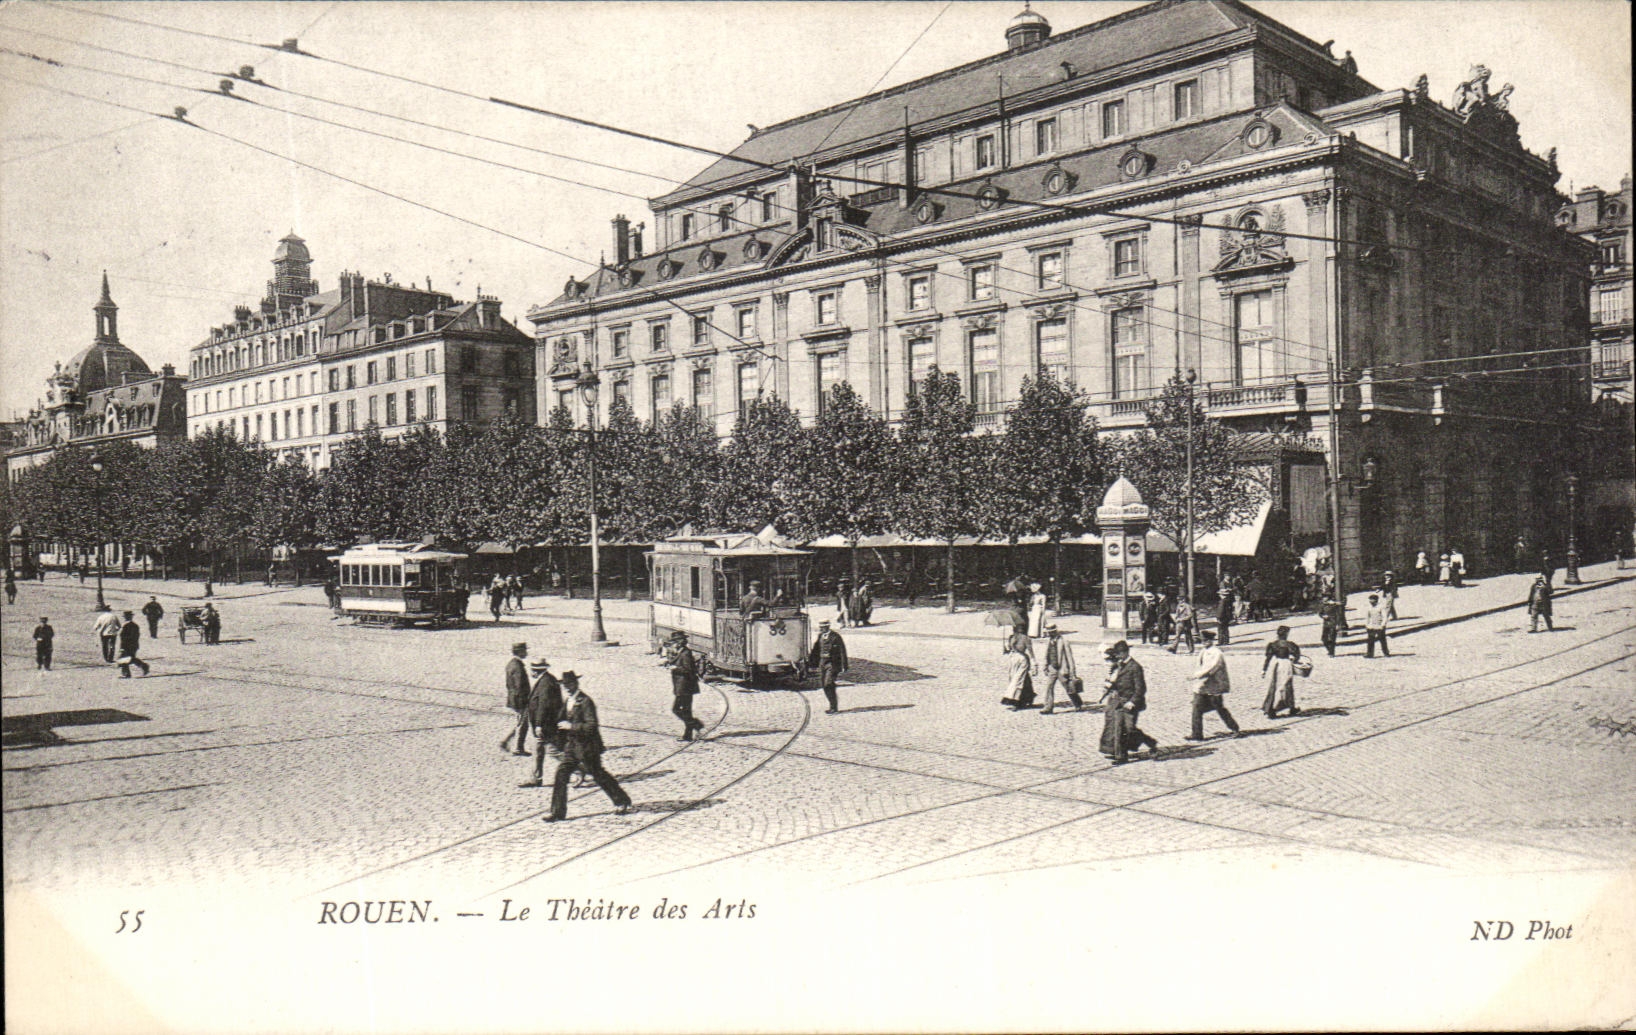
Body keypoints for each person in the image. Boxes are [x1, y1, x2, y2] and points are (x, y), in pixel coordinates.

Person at [544, 672, 632, 822]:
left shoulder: (585, 701)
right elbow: (561, 719)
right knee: (561, 775)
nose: (567, 688)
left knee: (598, 775)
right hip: (572, 747)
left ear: (576, 684)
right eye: (564, 686)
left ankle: (621, 800)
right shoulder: (568, 701)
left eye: (569, 685)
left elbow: (591, 725)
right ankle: (557, 812)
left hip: (587, 747)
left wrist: (571, 726)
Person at [1099, 640, 1158, 764]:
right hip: (1118, 701)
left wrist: (1133, 702)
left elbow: (1141, 688)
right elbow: (1114, 680)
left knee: (1130, 728)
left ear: (1126, 652)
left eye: (1119, 654)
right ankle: (1120, 755)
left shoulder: (1135, 667)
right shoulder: (1118, 665)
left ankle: (1149, 741)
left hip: (1130, 702)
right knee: (1119, 728)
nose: (1117, 656)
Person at [517, 657, 565, 788]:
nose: (531, 673)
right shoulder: (546, 680)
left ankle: (580, 769)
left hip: (545, 725)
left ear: (536, 671)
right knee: (538, 751)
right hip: (545, 724)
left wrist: (538, 725)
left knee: (552, 751)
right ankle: (535, 778)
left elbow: (543, 706)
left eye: (532, 670)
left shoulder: (545, 683)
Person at [1187, 629, 1240, 740]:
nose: (1204, 642)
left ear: (1211, 640)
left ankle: (1234, 728)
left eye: (1206, 640)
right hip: (1202, 685)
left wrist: (1196, 676)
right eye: (1202, 640)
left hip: (1214, 685)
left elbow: (1211, 667)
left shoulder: (1216, 653)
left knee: (1219, 708)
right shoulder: (1203, 651)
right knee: (1196, 708)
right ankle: (1197, 734)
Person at [665, 631, 706, 741]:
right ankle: (687, 735)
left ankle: (696, 725)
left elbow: (688, 670)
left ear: (679, 643)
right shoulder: (681, 652)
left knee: (676, 709)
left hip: (685, 686)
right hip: (683, 686)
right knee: (687, 711)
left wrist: (675, 668)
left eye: (673, 642)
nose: (672, 644)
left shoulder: (686, 653)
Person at [1039, 624, 1084, 715]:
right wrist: (1045, 666)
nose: (1050, 634)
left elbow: (1070, 658)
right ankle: (1048, 707)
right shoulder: (1049, 642)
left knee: (1069, 687)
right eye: (1048, 632)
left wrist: (1072, 672)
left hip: (1062, 669)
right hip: (1052, 668)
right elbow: (1046, 655)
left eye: (1051, 632)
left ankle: (1077, 703)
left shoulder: (1063, 641)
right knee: (1049, 687)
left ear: (1055, 631)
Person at [808, 620, 849, 714]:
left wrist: (844, 665)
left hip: (832, 663)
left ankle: (834, 706)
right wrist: (811, 664)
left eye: (822, 627)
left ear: (827, 627)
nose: (821, 629)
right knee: (824, 685)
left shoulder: (835, 637)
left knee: (828, 683)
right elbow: (816, 650)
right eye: (820, 627)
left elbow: (842, 651)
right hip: (822, 662)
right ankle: (832, 705)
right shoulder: (820, 637)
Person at [1261, 625, 1302, 717]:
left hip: (1277, 665)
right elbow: (1297, 655)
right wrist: (1295, 660)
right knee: (1287, 686)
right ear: (1286, 634)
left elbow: (1268, 658)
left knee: (1275, 686)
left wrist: (1264, 670)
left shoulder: (1273, 645)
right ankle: (1288, 707)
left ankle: (1271, 707)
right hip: (1287, 665)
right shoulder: (1290, 644)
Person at [501, 643, 532, 756]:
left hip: (513, 698)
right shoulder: (518, 666)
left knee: (520, 722)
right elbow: (520, 686)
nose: (526, 652)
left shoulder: (511, 664)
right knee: (523, 724)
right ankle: (518, 748)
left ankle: (505, 741)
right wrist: (527, 700)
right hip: (520, 700)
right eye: (524, 650)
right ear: (519, 652)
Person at [1000, 625, 1037, 710]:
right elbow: (1008, 650)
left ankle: (1015, 701)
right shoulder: (1011, 637)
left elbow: (1030, 651)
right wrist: (1006, 648)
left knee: (1017, 680)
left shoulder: (1025, 638)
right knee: (1020, 679)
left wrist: (1034, 663)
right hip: (1013, 659)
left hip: (1022, 659)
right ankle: (1029, 696)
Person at [116, 610, 150, 678]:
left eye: (125, 616)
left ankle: (127, 673)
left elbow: (125, 638)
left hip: (127, 645)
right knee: (130, 658)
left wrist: (123, 647)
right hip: (134, 645)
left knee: (125, 659)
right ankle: (143, 666)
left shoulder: (126, 626)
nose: (125, 618)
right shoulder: (135, 625)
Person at [1363, 593, 1391, 658]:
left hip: (1379, 626)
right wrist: (1367, 625)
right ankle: (1370, 654)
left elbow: (1385, 617)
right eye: (1370, 600)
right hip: (1371, 626)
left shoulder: (1381, 607)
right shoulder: (1369, 607)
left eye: (1372, 600)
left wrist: (1383, 625)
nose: (1370, 601)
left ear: (1376, 600)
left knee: (1382, 640)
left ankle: (1386, 653)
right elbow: (1367, 617)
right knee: (1370, 641)